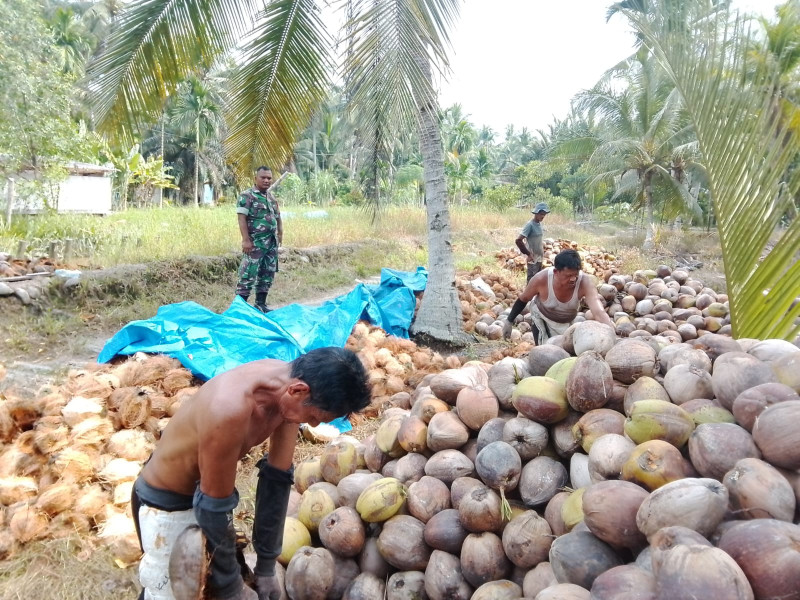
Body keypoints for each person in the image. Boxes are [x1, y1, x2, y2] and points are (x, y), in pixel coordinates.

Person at [131, 347, 371, 600]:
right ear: (298, 390)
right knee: (169, 594)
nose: (311, 425)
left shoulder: (287, 392)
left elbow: (277, 479)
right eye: (313, 417)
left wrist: (266, 566)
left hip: (206, 498)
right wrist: (231, 587)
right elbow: (213, 507)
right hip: (166, 504)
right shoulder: (229, 409)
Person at [503, 248, 614, 344]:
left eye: (575, 275)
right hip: (542, 318)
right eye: (568, 275)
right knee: (546, 353)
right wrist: (509, 321)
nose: (573, 279)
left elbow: (598, 312)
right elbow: (524, 298)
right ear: (556, 272)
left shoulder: (584, 282)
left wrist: (612, 335)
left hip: (565, 322)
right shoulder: (541, 279)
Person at [236, 167, 283, 313]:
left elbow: (278, 216)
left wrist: (280, 232)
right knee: (248, 274)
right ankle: (239, 309)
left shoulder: (271, 198)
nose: (266, 180)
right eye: (263, 177)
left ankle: (260, 304)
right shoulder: (247, 196)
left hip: (271, 243)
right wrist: (245, 240)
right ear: (255, 178)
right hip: (255, 243)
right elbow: (241, 218)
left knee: (267, 274)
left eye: (269, 178)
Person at [516, 202, 550, 283]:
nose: (542, 216)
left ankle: (536, 296)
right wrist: (528, 254)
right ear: (536, 213)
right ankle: (529, 296)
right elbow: (518, 240)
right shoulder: (530, 225)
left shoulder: (539, 224)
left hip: (539, 258)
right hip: (532, 259)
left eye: (544, 214)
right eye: (541, 214)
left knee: (538, 282)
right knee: (532, 282)